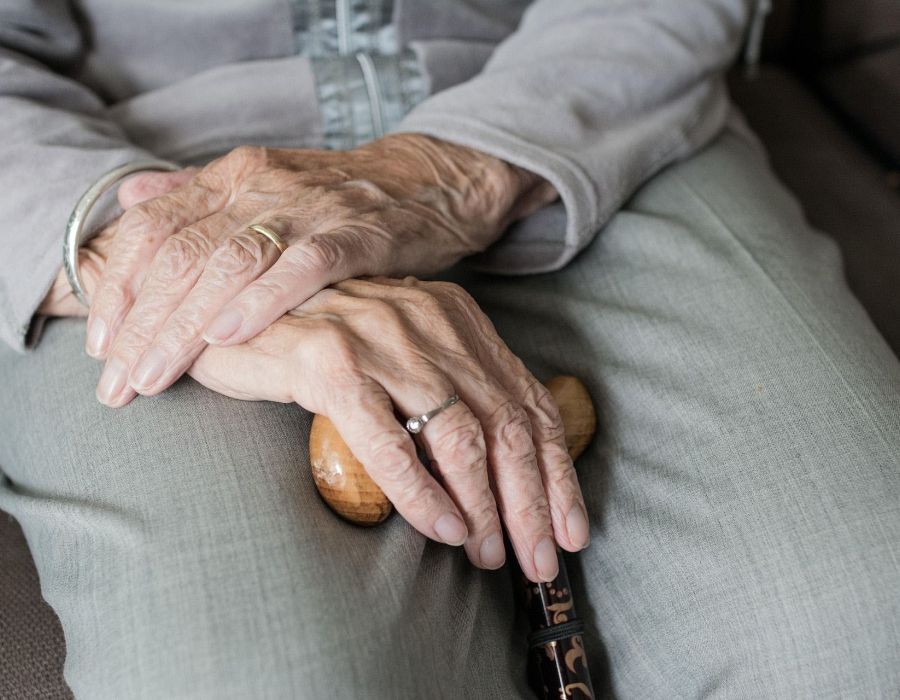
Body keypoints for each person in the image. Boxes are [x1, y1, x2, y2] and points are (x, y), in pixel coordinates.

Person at [1, 0, 898, 697]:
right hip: (127, 175)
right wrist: (160, 259)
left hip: (588, 112)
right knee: (266, 678)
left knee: (862, 621)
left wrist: (446, 171)